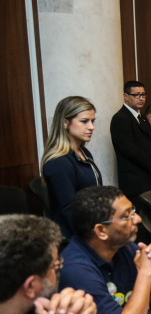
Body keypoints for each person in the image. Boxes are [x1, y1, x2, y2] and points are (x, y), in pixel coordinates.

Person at [59, 186, 151, 314]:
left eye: (133, 211)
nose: (137, 219)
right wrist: (145, 273)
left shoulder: (124, 247)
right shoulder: (76, 270)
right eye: (126, 216)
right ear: (101, 231)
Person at [41, 96, 103, 238]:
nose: (91, 127)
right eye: (84, 121)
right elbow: (68, 211)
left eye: (92, 121)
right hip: (74, 238)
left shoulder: (84, 152)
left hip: (91, 226)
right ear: (65, 122)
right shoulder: (58, 162)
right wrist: (94, 238)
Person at [110, 81, 151, 200]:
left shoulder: (143, 119)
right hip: (135, 182)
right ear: (126, 96)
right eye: (136, 95)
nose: (141, 98)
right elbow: (131, 151)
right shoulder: (120, 119)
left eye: (143, 95)